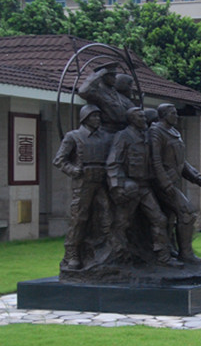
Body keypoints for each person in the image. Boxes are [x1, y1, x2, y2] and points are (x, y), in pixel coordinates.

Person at [106, 106, 182, 268]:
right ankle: (117, 256)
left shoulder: (148, 136)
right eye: (141, 117)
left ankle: (163, 257)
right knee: (122, 223)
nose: (145, 120)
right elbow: (113, 163)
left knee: (159, 219)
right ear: (132, 120)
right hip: (129, 188)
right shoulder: (123, 136)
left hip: (145, 187)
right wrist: (118, 186)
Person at [53, 104, 113, 270]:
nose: (97, 119)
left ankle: (103, 252)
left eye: (98, 116)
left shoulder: (105, 137)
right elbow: (59, 160)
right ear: (85, 118)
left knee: (107, 215)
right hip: (83, 182)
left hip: (101, 181)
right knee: (79, 218)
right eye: (94, 116)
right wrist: (73, 170)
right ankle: (72, 253)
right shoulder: (74, 136)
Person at [149, 103, 201, 265]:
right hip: (163, 183)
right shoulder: (156, 131)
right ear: (164, 115)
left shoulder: (174, 132)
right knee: (187, 213)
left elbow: (181, 160)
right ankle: (186, 253)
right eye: (173, 113)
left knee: (169, 218)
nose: (176, 116)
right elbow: (155, 160)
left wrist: (195, 176)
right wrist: (164, 181)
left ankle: (169, 250)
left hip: (174, 180)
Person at [77, 61, 133, 133]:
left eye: (115, 75)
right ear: (104, 76)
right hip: (106, 132)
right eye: (112, 76)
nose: (115, 79)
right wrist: (98, 74)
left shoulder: (118, 94)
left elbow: (131, 109)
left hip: (122, 131)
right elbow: (83, 91)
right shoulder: (98, 92)